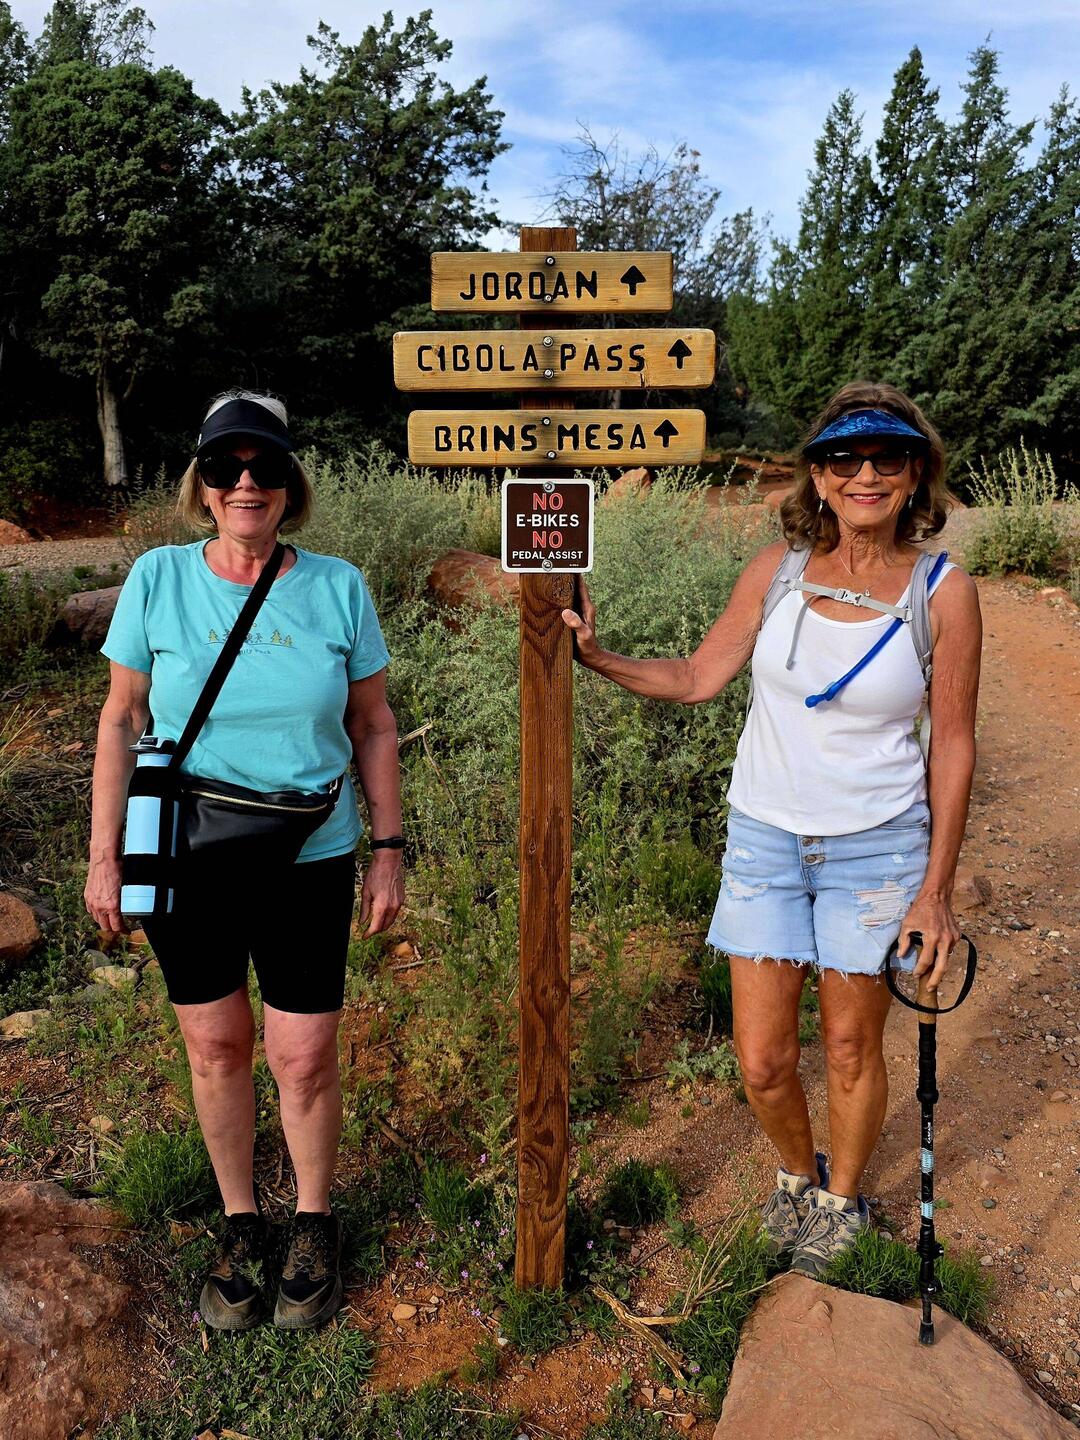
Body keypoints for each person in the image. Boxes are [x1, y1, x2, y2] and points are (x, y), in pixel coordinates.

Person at [562, 381, 982, 1275]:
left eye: (888, 457)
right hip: (765, 842)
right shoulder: (777, 571)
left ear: (916, 475)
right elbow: (696, 677)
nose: (865, 474)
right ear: (817, 477)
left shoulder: (944, 592)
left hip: (878, 846)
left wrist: (936, 892)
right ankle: (797, 1174)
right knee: (760, 1060)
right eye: (844, 458)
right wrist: (598, 657)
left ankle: (840, 1202)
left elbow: (952, 745)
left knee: (849, 1046)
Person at [85, 390, 404, 1330]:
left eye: (264, 466)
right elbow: (120, 719)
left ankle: (313, 1220)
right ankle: (240, 1220)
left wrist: (388, 849)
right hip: (186, 853)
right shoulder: (157, 578)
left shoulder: (338, 588)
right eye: (226, 467)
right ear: (202, 484)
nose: (245, 484)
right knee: (216, 1044)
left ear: (290, 483)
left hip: (311, 853)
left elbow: (374, 724)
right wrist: (105, 856)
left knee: (301, 1055)